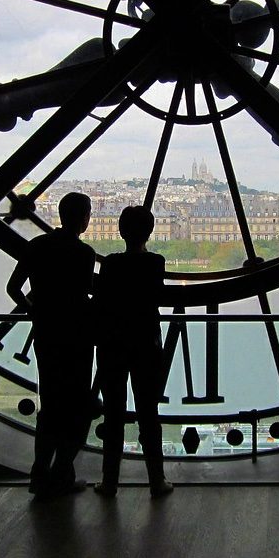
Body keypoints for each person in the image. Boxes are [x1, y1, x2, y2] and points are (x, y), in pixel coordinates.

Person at [7, 192, 96, 499]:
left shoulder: (38, 247)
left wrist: (34, 309)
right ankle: (61, 471)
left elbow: (13, 287)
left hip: (46, 333)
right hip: (77, 336)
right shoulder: (83, 254)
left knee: (51, 405)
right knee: (77, 407)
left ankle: (41, 471)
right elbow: (89, 292)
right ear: (83, 219)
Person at [93, 206, 173, 498]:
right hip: (145, 343)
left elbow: (101, 302)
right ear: (149, 232)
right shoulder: (155, 262)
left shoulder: (111, 264)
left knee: (113, 415)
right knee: (148, 414)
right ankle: (156, 479)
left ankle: (110, 481)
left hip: (113, 344)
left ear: (121, 231)